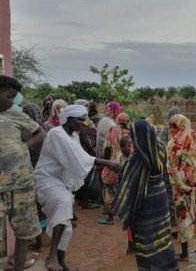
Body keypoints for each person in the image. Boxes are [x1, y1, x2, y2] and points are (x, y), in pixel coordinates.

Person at [33, 105, 120, 271]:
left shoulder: (73, 135)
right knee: (64, 203)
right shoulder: (56, 134)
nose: (83, 123)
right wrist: (107, 163)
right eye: (80, 120)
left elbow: (80, 156)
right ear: (70, 119)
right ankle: (52, 257)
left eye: (85, 119)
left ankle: (60, 261)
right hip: (46, 179)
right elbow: (79, 157)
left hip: (60, 181)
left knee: (65, 220)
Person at [113, 120, 179, 271]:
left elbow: (127, 186)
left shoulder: (135, 159)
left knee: (147, 244)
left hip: (145, 204)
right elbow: (164, 174)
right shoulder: (161, 148)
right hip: (160, 199)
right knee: (163, 241)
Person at [0, 76, 46, 271]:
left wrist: (24, 147)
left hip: (21, 183)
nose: (12, 101)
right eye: (9, 96)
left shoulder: (14, 114)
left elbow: (41, 132)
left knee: (24, 231)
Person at [167, 114, 196, 260]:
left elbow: (173, 168)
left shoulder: (175, 143)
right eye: (171, 125)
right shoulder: (194, 138)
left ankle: (188, 253)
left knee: (186, 217)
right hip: (193, 186)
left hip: (185, 188)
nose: (171, 129)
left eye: (173, 126)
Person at [21, 103, 50, 252]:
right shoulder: (47, 129)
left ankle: (38, 242)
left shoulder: (24, 132)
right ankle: (48, 234)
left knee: (33, 208)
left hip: (30, 172)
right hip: (46, 173)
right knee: (43, 205)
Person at [98, 112, 130, 225]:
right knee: (122, 189)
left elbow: (106, 148)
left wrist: (105, 162)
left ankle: (110, 218)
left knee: (109, 189)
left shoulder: (112, 130)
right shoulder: (129, 133)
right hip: (126, 164)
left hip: (113, 163)